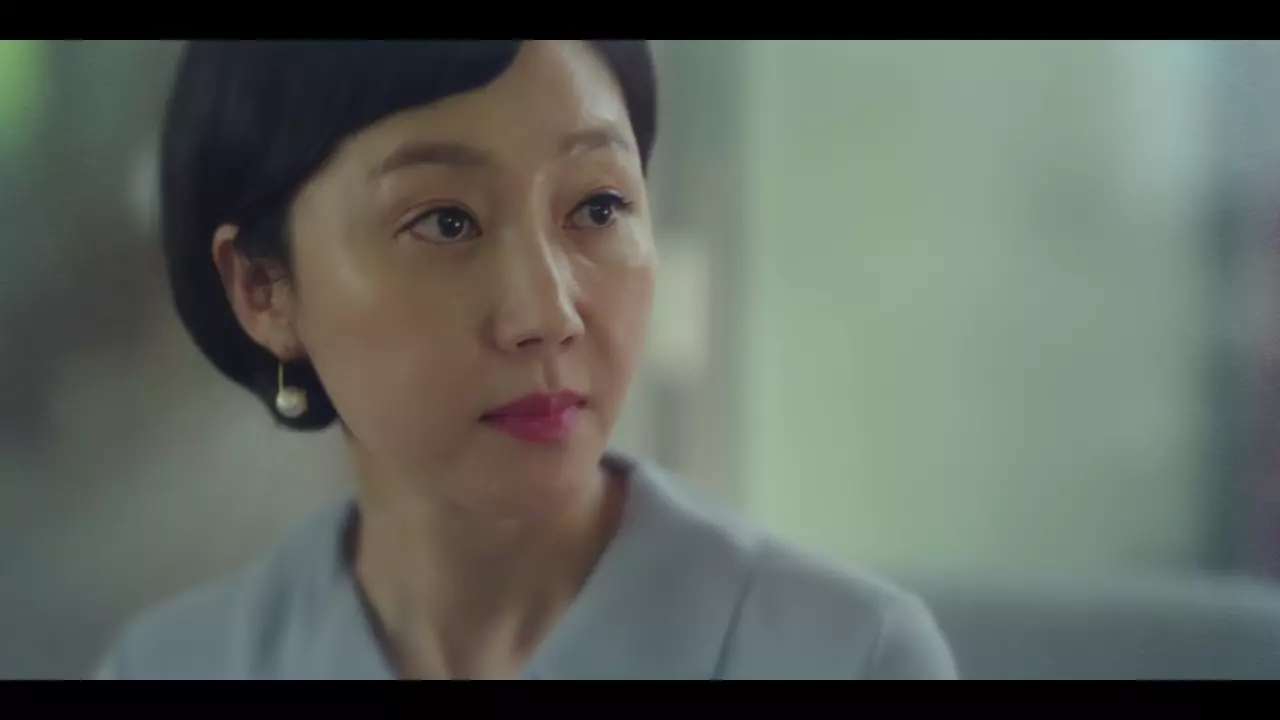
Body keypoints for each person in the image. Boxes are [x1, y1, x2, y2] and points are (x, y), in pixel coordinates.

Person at [93, 39, 958, 680]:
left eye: (599, 207)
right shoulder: (173, 669)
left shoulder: (850, 659)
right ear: (262, 289)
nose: (547, 315)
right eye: (445, 222)